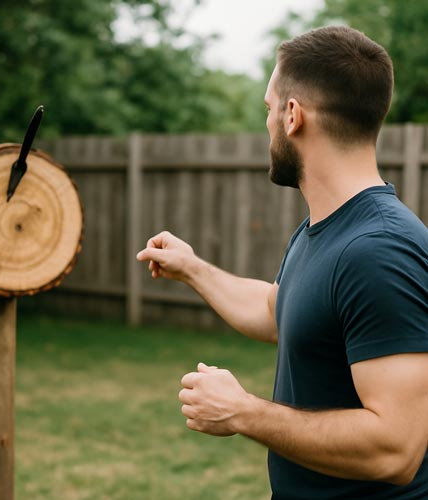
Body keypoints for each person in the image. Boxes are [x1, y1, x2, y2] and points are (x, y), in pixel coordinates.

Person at [136, 25, 428, 499]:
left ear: (293, 115)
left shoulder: (379, 250)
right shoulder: (327, 227)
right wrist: (193, 268)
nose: (268, 122)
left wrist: (242, 411)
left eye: (269, 108)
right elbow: (279, 309)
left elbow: (396, 449)